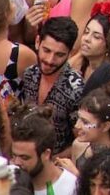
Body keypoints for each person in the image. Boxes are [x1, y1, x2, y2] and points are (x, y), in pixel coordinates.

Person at [18, 16, 84, 152]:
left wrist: (53, 160)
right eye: (46, 50)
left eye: (59, 55)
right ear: (37, 42)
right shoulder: (30, 74)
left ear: (70, 54)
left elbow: (81, 140)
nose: (49, 60)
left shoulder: (75, 90)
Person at [11, 112, 78, 195]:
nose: (16, 162)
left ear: (46, 154)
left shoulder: (72, 188)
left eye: (24, 157)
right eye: (14, 156)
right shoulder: (6, 183)